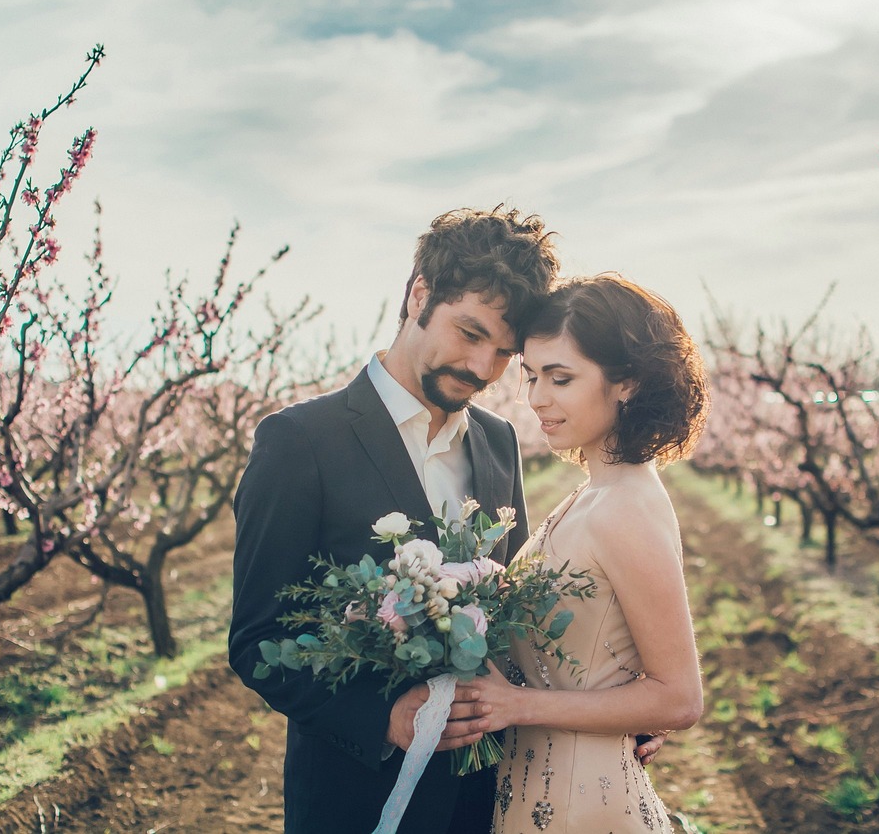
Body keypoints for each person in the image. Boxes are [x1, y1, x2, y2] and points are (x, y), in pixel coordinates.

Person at [228, 206, 560, 834]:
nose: (482, 370)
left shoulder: (498, 441)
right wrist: (383, 719)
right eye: (469, 333)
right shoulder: (299, 441)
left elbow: (511, 611)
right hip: (357, 800)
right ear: (419, 295)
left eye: (503, 352)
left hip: (483, 798)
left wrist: (603, 706)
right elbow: (255, 641)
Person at [465, 274, 710, 833]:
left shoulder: (624, 507)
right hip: (540, 792)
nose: (537, 399)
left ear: (627, 382)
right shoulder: (593, 494)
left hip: (584, 808)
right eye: (532, 376)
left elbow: (679, 698)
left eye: (561, 378)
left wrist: (516, 705)